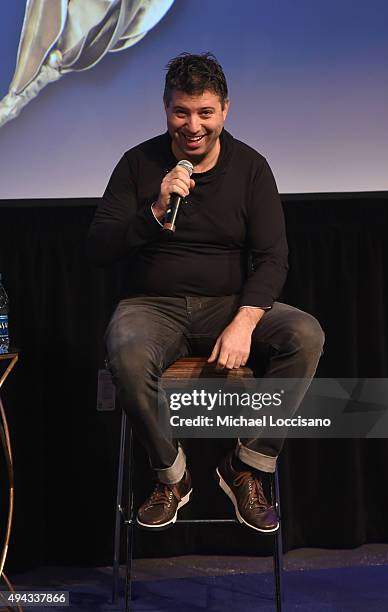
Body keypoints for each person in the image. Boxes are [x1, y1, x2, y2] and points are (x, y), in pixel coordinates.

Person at [88, 52, 324, 534]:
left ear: (225, 110)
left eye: (205, 112)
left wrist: (246, 319)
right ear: (166, 108)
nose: (193, 125)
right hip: (153, 306)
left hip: (228, 305)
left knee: (305, 334)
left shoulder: (251, 167)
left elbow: (273, 257)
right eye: (181, 112)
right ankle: (171, 477)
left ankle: (246, 465)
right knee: (126, 352)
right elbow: (97, 248)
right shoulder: (138, 164)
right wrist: (154, 210)